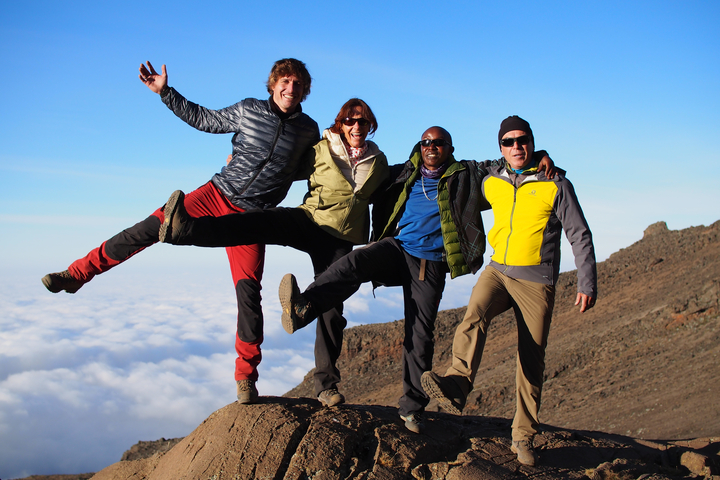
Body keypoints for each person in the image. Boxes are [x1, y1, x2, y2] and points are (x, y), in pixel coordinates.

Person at [41, 58, 320, 405]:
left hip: (251, 217)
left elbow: (306, 168)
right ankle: (78, 274)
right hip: (215, 194)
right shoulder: (249, 110)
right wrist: (165, 92)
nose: (290, 88)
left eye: (297, 84)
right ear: (273, 84)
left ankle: (246, 379)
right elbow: (205, 119)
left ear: (305, 90)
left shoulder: (308, 129)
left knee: (249, 295)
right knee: (147, 229)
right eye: (285, 81)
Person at [277, 126, 555, 434]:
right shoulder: (404, 173)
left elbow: (505, 163)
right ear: (419, 146)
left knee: (419, 334)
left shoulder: (467, 175)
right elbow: (356, 175)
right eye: (425, 142)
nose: (431, 146)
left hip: (431, 263)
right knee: (354, 262)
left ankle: (412, 407)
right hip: (397, 248)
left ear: (449, 148)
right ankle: (304, 306)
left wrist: (539, 155)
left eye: (438, 143)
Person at [158, 98, 389, 407]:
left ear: (370, 126)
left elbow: (387, 193)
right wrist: (241, 167)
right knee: (260, 222)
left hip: (340, 240)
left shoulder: (379, 162)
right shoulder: (321, 149)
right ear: (340, 124)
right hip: (310, 220)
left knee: (333, 313)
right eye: (350, 121)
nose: (356, 126)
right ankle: (188, 231)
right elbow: (284, 167)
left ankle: (326, 385)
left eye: (362, 122)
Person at [421, 116, 597, 466]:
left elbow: (579, 234)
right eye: (509, 142)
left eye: (523, 141)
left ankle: (523, 437)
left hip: (537, 280)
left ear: (532, 142)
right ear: (501, 147)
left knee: (530, 357)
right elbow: (461, 178)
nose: (517, 147)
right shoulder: (492, 180)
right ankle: (456, 384)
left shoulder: (556, 183)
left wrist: (586, 280)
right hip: (497, 271)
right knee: (474, 315)